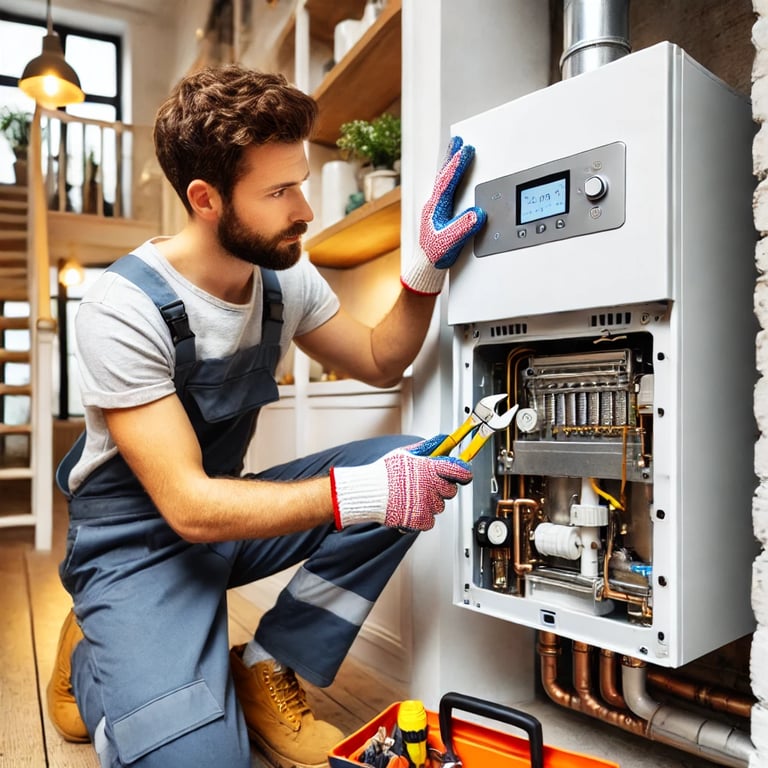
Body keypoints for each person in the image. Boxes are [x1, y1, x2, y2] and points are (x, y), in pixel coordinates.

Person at [46, 64, 486, 768]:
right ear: (206, 199)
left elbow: (378, 359)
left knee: (418, 460)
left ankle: (267, 663)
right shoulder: (122, 307)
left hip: (226, 522)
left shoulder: (285, 277)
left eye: (300, 182)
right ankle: (98, 653)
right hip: (136, 548)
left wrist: (423, 274)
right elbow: (187, 507)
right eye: (279, 191)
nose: (304, 209)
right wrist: (365, 497)